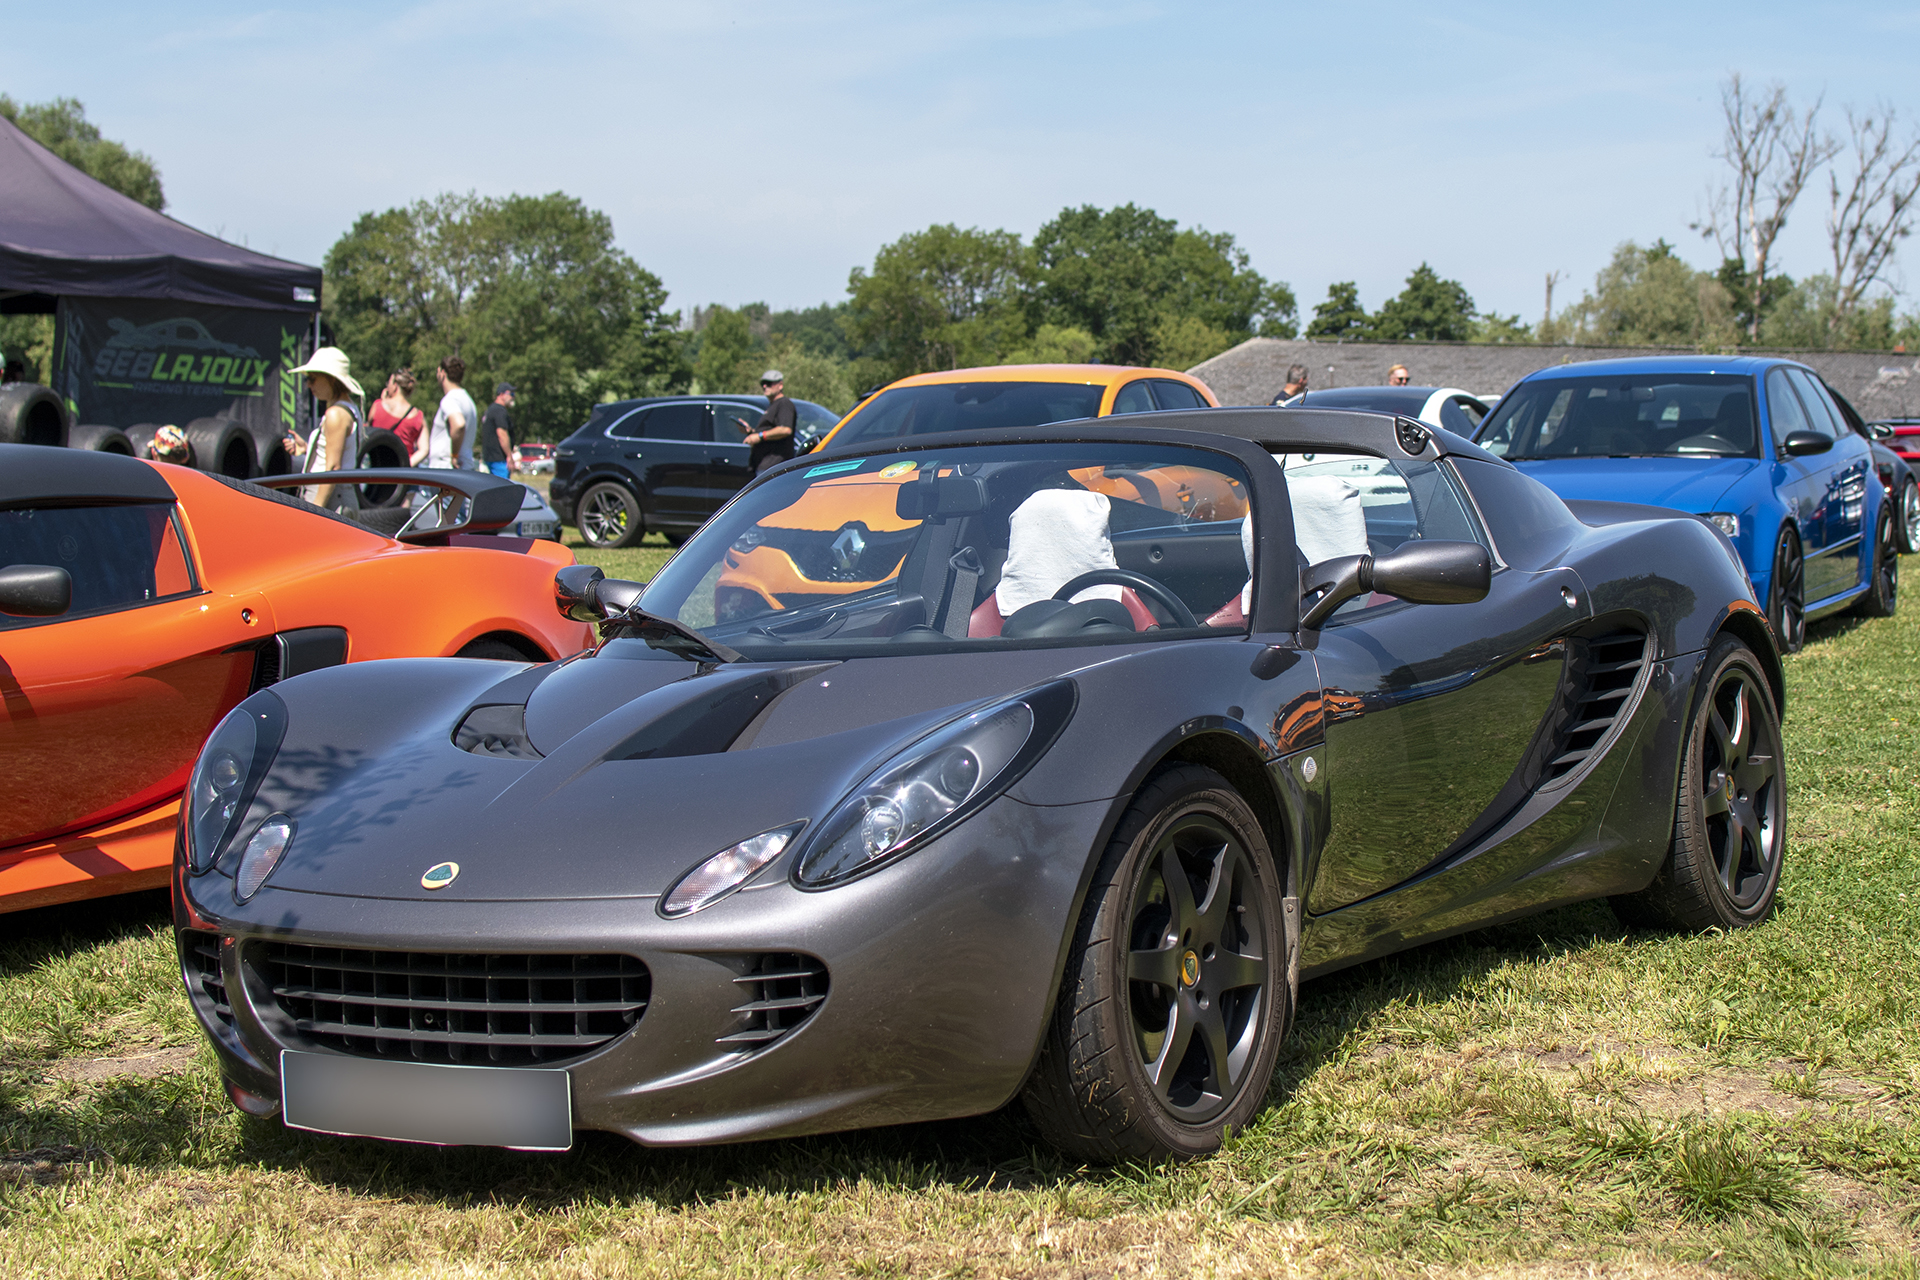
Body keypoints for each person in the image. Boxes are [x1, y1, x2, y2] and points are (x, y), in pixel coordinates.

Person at [283, 347, 364, 513]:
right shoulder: (350, 408)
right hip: (339, 497)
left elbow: (333, 468)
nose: (308, 384)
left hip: (330, 500)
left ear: (332, 379)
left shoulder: (335, 413)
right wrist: (308, 449)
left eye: (313, 379)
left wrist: (315, 509)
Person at [422, 355, 478, 471]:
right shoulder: (468, 400)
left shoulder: (450, 399)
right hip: (464, 467)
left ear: (443, 373)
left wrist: (454, 456)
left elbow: (459, 424)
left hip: (446, 469)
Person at [745, 369, 797, 472]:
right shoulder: (772, 405)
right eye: (763, 384)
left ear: (780, 385)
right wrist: (751, 432)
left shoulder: (784, 404)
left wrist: (760, 436)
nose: (765, 386)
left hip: (774, 465)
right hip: (763, 463)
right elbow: (771, 429)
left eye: (769, 383)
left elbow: (785, 429)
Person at [371, 368, 425, 459]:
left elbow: (369, 432)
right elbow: (424, 450)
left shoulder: (377, 406)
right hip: (402, 470)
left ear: (395, 385)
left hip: (377, 466)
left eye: (389, 383)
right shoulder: (417, 415)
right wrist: (407, 464)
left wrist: (383, 401)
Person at [482, 383, 516, 478]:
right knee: (502, 489)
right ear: (501, 394)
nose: (513, 397)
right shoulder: (500, 411)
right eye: (511, 394)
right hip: (499, 459)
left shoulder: (491, 409)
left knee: (493, 487)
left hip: (490, 457)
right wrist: (509, 456)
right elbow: (502, 434)